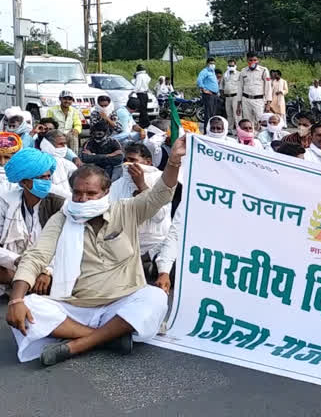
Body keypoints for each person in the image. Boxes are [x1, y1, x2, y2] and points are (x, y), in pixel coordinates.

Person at [5, 137, 186, 366]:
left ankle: (77, 344)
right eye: (78, 193)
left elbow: (160, 194)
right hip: (77, 306)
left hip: (122, 303)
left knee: (156, 297)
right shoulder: (63, 217)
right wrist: (16, 300)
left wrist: (173, 162)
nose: (83, 199)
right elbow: (36, 256)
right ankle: (107, 339)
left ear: (106, 192)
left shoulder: (126, 210)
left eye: (91, 194)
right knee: (29, 306)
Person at [109, 143, 174, 291]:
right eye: (126, 160)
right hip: (127, 243)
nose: (128, 164)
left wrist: (142, 186)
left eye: (133, 160)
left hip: (156, 242)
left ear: (148, 162)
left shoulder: (161, 180)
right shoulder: (118, 184)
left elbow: (159, 216)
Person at [0, 146, 64, 292]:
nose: (47, 181)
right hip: (16, 262)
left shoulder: (59, 202)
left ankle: (25, 284)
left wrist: (48, 270)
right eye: (41, 178)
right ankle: (23, 282)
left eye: (48, 176)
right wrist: (16, 260)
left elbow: (67, 243)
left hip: (48, 263)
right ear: (24, 182)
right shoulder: (5, 201)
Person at [39, 130, 77, 199]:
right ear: (48, 145)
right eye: (61, 144)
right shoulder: (37, 162)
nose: (64, 147)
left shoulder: (67, 163)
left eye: (65, 144)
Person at [237, 53, 272, 127]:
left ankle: (261, 137)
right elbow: (240, 88)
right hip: (246, 100)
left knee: (261, 121)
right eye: (250, 60)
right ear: (247, 60)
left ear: (258, 60)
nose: (253, 62)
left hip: (258, 100)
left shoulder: (263, 70)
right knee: (248, 123)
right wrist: (238, 105)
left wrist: (268, 103)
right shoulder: (243, 71)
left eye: (255, 60)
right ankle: (250, 137)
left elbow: (268, 87)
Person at [196, 58, 219, 133]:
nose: (212, 65)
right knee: (208, 114)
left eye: (213, 63)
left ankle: (212, 130)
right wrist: (204, 89)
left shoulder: (212, 72)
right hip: (208, 95)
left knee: (213, 114)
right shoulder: (205, 71)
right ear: (207, 64)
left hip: (214, 95)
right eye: (211, 63)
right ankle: (207, 131)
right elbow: (199, 80)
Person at [221, 60, 241, 133]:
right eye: (229, 66)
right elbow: (221, 86)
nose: (231, 67)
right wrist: (222, 94)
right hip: (227, 97)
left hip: (236, 96)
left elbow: (242, 86)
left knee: (237, 114)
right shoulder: (225, 74)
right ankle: (230, 129)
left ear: (235, 65)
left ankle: (239, 129)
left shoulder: (239, 74)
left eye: (232, 65)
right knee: (229, 113)